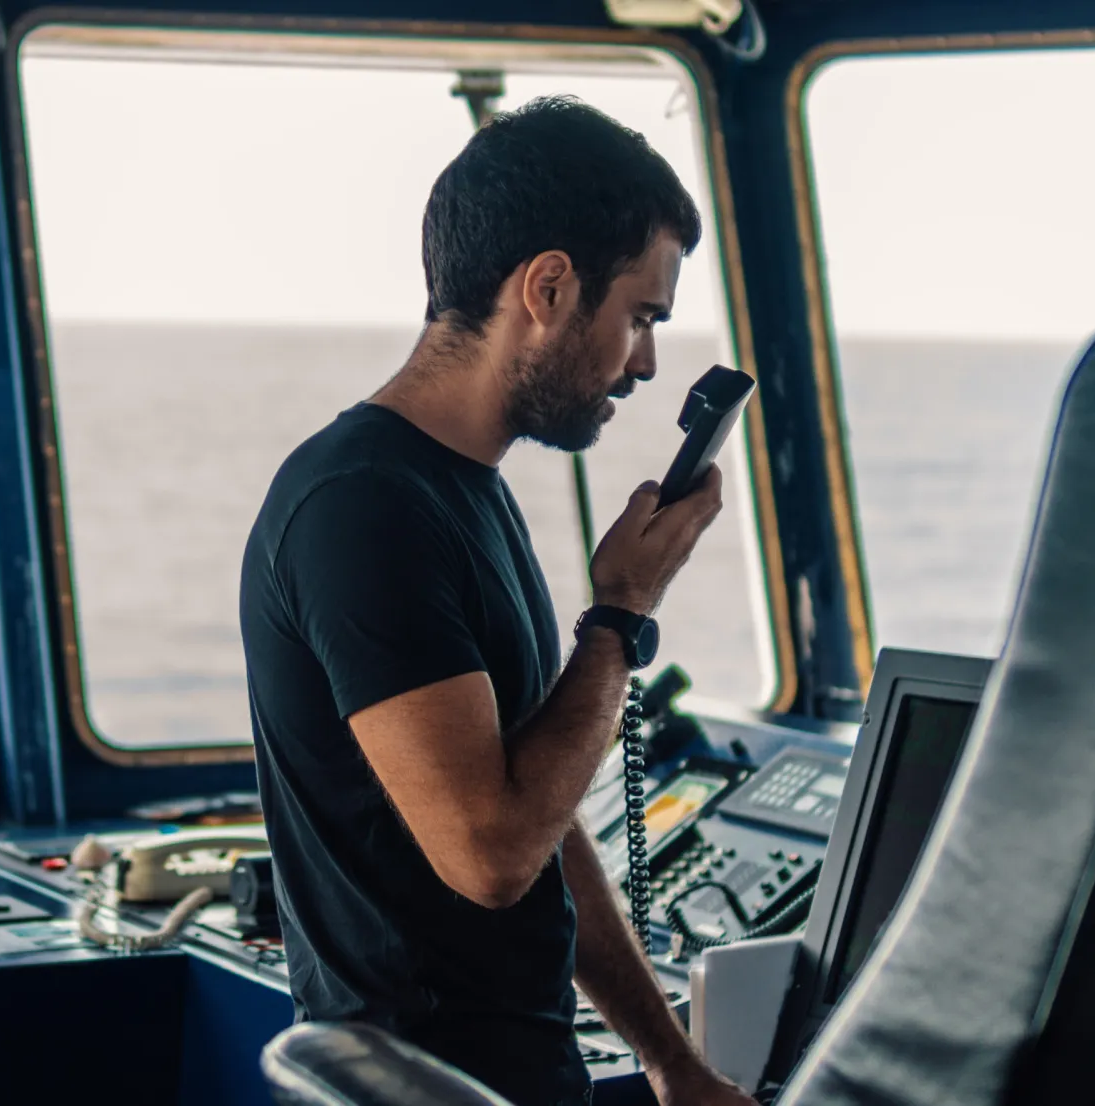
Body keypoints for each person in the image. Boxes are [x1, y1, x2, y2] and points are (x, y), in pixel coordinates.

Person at [238, 96, 755, 1106]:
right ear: (550, 287)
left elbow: (544, 814)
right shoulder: (365, 506)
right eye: (640, 314)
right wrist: (620, 615)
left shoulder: (460, 488)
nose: (645, 360)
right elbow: (491, 851)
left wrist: (670, 1059)